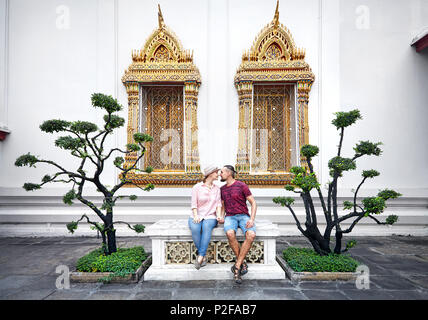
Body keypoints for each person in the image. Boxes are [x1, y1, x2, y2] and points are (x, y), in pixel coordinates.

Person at [219, 165, 257, 284]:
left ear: (229, 173)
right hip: (230, 217)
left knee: (251, 235)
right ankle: (242, 264)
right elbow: (223, 205)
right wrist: (221, 216)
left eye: (222, 172)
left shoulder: (241, 185)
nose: (220, 174)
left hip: (243, 216)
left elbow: (253, 203)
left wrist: (251, 219)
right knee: (230, 233)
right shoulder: (222, 189)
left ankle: (237, 265)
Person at [189, 165, 223, 269]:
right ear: (210, 174)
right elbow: (194, 204)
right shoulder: (197, 187)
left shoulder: (217, 189)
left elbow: (218, 204)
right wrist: (195, 216)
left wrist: (218, 216)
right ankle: (203, 256)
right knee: (195, 228)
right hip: (197, 214)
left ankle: (200, 257)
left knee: (206, 227)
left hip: (210, 216)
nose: (218, 174)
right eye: (216, 172)